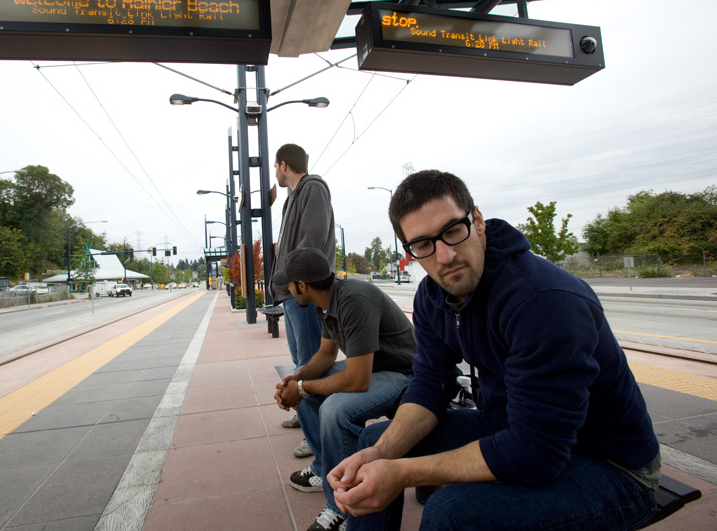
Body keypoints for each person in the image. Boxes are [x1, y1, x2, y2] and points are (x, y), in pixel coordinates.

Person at [328, 170, 660, 531]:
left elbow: (535, 453)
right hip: (514, 426)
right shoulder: (432, 297)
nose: (445, 255)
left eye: (453, 230)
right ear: (410, 251)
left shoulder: (543, 302)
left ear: (478, 221)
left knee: (450, 512)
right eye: (423, 244)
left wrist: (400, 472)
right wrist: (381, 456)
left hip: (611, 463)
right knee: (375, 442)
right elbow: (430, 385)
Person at [274, 248, 417, 531]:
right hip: (374, 367)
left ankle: (341, 508)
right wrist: (296, 380)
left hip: (404, 373)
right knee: (308, 393)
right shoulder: (326, 303)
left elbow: (357, 381)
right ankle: (327, 471)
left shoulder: (352, 300)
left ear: (302, 286)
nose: (288, 289)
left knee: (334, 409)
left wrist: (302, 387)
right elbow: (326, 355)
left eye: (289, 284)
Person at [272, 143, 336, 458]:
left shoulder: (313, 189)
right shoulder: (292, 198)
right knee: (302, 361)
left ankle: (319, 433)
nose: (275, 172)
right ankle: (306, 415)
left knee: (311, 364)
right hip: (292, 292)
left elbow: (313, 237)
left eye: (275, 167)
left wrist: (292, 278)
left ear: (283, 165)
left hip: (305, 293)